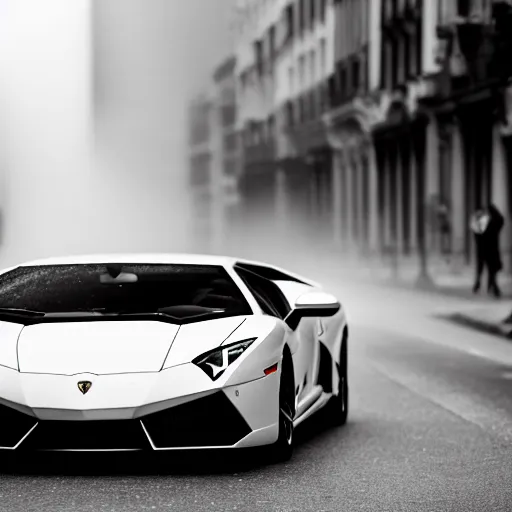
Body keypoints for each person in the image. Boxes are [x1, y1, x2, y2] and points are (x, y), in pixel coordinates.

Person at [470, 204, 504, 297]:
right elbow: (500, 219)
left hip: (484, 250)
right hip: (489, 250)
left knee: (488, 270)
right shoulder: (488, 223)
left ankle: (486, 286)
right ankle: (488, 287)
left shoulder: (484, 222)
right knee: (489, 270)